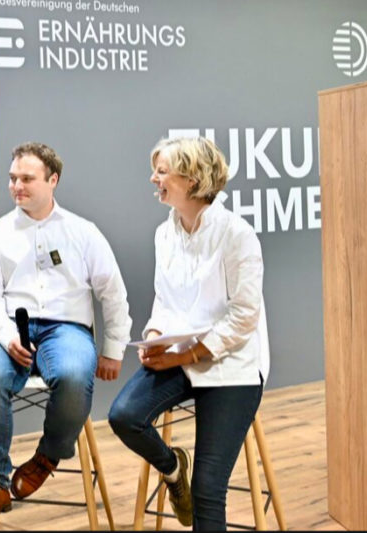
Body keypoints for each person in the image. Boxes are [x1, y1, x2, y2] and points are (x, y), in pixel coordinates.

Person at [108, 136, 269, 531]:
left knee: (208, 491)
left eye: (162, 172)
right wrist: (155, 333)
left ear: (193, 180)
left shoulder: (237, 234)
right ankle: (173, 468)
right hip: (180, 356)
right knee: (124, 416)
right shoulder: (165, 233)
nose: (153, 179)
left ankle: (191, 484)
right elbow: (164, 299)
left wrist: (186, 354)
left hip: (233, 366)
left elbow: (244, 317)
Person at [0, 142, 132, 518]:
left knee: (75, 375)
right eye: (12, 179)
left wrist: (113, 348)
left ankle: (46, 458)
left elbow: (113, 292)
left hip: (67, 328)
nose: (16, 186)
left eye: (26, 178)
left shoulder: (83, 232)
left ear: (53, 180)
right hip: (9, 327)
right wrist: (6, 336)